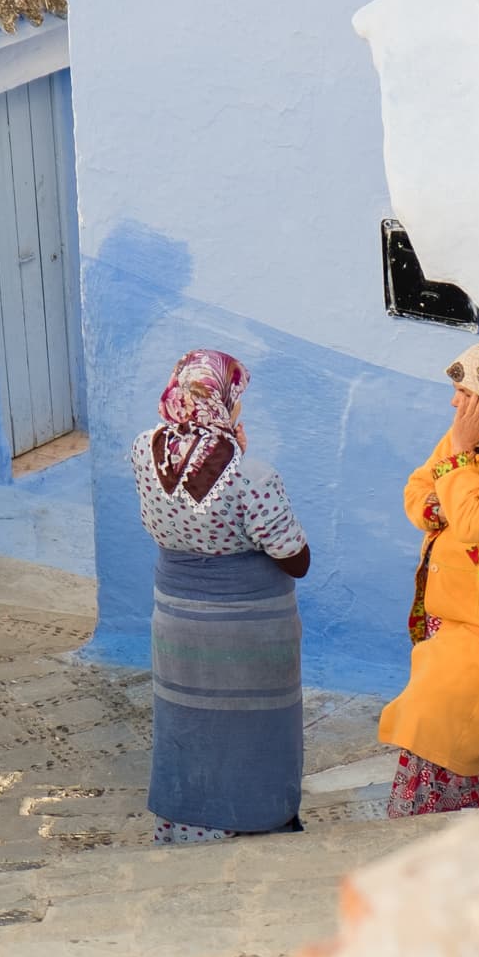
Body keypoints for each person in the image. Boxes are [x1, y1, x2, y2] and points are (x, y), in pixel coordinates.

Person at [132, 348, 313, 844]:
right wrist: (237, 450)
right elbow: (295, 558)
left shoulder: (143, 451)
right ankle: (253, 826)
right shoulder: (250, 476)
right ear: (224, 401)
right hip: (246, 633)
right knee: (252, 733)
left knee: (187, 725)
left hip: (175, 620)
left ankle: (185, 829)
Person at [377, 339, 479, 817]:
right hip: (451, 620)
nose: (454, 402)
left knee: (446, 727)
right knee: (433, 728)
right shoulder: (468, 442)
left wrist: (458, 462)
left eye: (464, 392)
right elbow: (415, 489)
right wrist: (449, 496)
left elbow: (476, 521)